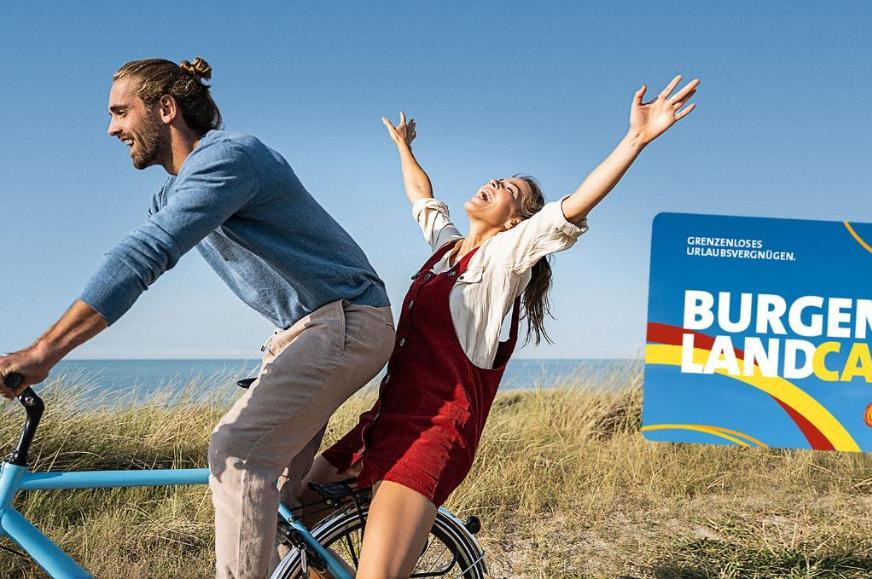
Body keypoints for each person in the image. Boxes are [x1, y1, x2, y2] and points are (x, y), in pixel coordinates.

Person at [0, 58, 396, 578]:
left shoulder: (231, 157)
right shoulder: (174, 191)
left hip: (345, 320)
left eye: (121, 112)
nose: (111, 128)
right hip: (303, 333)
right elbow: (139, 258)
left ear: (165, 109)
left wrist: (44, 350)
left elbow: (147, 253)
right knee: (275, 510)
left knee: (236, 456)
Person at [306, 74, 700, 577]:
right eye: (498, 178)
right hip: (381, 424)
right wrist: (403, 147)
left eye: (510, 190)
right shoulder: (447, 253)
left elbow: (575, 204)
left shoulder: (504, 260)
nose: (494, 183)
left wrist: (635, 139)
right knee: (287, 512)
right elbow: (423, 200)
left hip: (433, 434)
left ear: (517, 220)